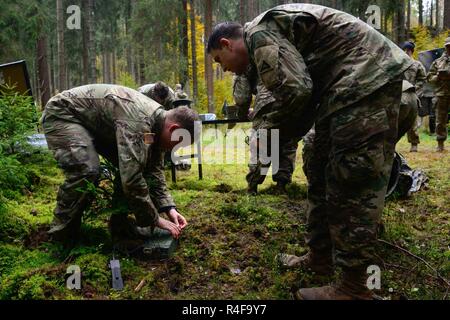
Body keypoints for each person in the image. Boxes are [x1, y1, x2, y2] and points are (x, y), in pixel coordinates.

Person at [207, 3, 412, 300]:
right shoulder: (265, 36)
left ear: (226, 44)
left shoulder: (258, 34)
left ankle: (356, 287)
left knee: (349, 180)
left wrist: (273, 132)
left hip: (365, 83)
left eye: (219, 60)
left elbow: (296, 90)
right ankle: (319, 258)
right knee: (318, 164)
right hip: (342, 92)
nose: (224, 68)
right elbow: (303, 91)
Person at [42, 84, 199, 246]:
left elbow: (153, 169)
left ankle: (120, 226)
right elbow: (131, 179)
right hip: (63, 114)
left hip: (92, 124)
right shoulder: (139, 122)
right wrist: (155, 219)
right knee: (87, 170)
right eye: (177, 144)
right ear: (174, 129)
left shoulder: (156, 127)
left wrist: (169, 208)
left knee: (135, 165)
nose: (174, 149)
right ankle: (61, 235)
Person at [233, 70, 300, 194]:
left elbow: (242, 97)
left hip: (266, 103)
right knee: (286, 143)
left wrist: (242, 114)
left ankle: (252, 186)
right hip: (291, 99)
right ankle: (282, 185)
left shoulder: (247, 57)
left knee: (262, 146)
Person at [401, 41, 427, 152]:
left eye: (408, 50)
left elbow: (422, 79)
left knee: (412, 120)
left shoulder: (417, 64)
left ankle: (414, 143)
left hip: (412, 94)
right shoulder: (398, 63)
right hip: (398, 94)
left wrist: (415, 90)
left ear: (411, 51)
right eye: (405, 49)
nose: (406, 52)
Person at [427, 37, 450, 152]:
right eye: (448, 46)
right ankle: (440, 142)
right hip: (441, 94)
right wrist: (438, 77)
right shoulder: (437, 62)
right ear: (445, 47)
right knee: (440, 119)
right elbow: (429, 78)